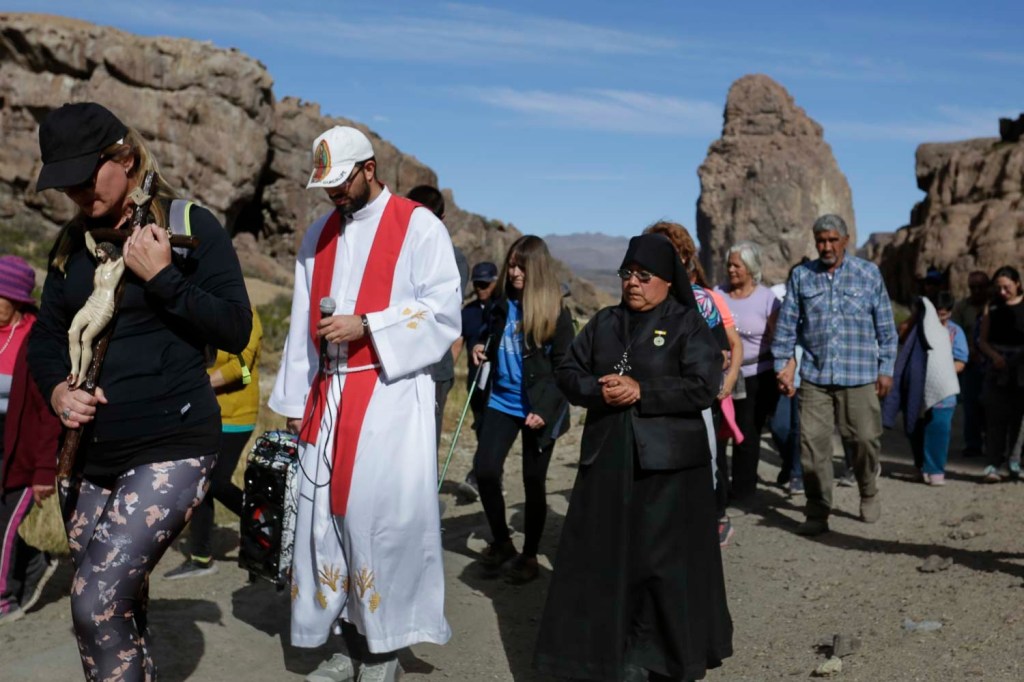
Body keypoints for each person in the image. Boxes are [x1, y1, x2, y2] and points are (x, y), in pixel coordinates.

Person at [29, 102, 252, 679]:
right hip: (89, 457)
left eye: (85, 175)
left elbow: (236, 326)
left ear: (124, 157)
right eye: (64, 181)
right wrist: (58, 391)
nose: (76, 192)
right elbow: (46, 339)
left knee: (93, 601)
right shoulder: (69, 248)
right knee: (114, 608)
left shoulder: (187, 227)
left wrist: (164, 279)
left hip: (172, 444)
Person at [268, 125, 460, 682]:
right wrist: (294, 397)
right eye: (324, 183)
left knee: (379, 522)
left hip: (388, 398)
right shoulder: (318, 234)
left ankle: (384, 651)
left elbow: (444, 310)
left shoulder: (417, 227)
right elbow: (304, 324)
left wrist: (369, 325)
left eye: (340, 181)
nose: (332, 194)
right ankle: (343, 643)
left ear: (369, 169)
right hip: (328, 396)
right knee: (325, 523)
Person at [534, 233, 731, 681]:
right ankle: (611, 657)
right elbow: (567, 370)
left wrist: (644, 391)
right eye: (627, 274)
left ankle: (659, 660)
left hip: (670, 472)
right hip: (608, 462)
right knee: (609, 564)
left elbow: (705, 384)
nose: (633, 283)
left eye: (645, 276)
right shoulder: (604, 322)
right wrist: (596, 389)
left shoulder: (686, 324)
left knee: (661, 569)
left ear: (667, 281)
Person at [772, 214, 897, 536]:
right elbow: (787, 326)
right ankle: (817, 510)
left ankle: (868, 489)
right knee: (812, 449)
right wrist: (783, 365)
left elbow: (886, 328)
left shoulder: (868, 274)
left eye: (832, 240)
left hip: (860, 376)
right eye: (821, 241)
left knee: (865, 441)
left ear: (844, 240)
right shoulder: (802, 276)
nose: (826, 246)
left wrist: (886, 369)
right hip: (815, 376)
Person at [470, 235, 574, 584]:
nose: (514, 272)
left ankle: (529, 556)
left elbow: (565, 370)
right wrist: (481, 346)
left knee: (533, 481)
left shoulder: (557, 312)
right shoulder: (501, 303)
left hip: (539, 408)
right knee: (485, 470)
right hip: (501, 400)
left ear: (537, 268)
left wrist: (545, 409)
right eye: (511, 265)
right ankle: (502, 543)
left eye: (521, 266)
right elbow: (490, 334)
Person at [643, 220, 744, 546]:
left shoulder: (702, 301)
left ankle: (714, 516)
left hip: (693, 399)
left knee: (705, 460)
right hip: (652, 399)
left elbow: (722, 351)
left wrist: (719, 370)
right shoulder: (639, 300)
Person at [165, 308, 263, 579]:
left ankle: (263, 522)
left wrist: (198, 383)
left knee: (216, 481)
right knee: (200, 483)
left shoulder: (246, 315)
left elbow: (242, 369)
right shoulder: (205, 315)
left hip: (237, 415)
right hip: (205, 412)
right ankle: (200, 557)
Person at [0, 256, 60, 625]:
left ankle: (3, 599)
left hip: (21, 450)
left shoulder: (36, 340)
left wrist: (44, 470)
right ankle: (37, 563)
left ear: (15, 299)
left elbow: (47, 414)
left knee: (3, 528)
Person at [714, 241, 780, 501]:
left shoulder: (767, 298)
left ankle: (743, 489)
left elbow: (778, 337)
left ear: (751, 268)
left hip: (756, 376)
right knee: (719, 434)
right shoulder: (717, 294)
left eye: (736, 265)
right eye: (728, 264)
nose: (730, 269)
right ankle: (717, 488)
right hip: (721, 376)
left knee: (748, 432)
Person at [405, 185, 469, 451]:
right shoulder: (394, 253)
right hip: (398, 364)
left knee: (423, 443)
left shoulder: (453, 260)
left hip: (431, 367)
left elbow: (440, 314)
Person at [883, 294, 966, 486]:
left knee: (938, 429)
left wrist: (943, 371)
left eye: (944, 316)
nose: (940, 319)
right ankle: (920, 466)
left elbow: (961, 361)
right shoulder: (917, 329)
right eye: (936, 315)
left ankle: (935, 469)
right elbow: (899, 336)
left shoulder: (955, 332)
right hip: (917, 390)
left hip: (943, 390)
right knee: (916, 428)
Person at [453, 260, 498, 504]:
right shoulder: (468, 312)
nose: (482, 287)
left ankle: (476, 476)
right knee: (481, 427)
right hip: (475, 381)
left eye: (486, 283)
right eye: (478, 283)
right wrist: (448, 373)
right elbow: (457, 344)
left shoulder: (502, 308)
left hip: (498, 382)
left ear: (494, 282)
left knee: (490, 430)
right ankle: (489, 476)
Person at [976, 266, 1024, 482]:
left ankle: (1015, 462)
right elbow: (982, 340)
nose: (1003, 292)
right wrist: (994, 356)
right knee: (995, 417)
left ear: (1017, 284)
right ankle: (992, 464)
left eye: (1007, 287)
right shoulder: (992, 306)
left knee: (1019, 418)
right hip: (997, 367)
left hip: (1022, 367)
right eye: (999, 288)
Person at [952, 271, 991, 458]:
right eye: (972, 287)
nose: (976, 291)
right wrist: (968, 352)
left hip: (993, 361)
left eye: (980, 287)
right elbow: (954, 332)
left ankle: (994, 443)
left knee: (992, 405)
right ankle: (973, 443)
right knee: (971, 404)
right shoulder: (961, 307)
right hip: (970, 363)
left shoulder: (993, 306)